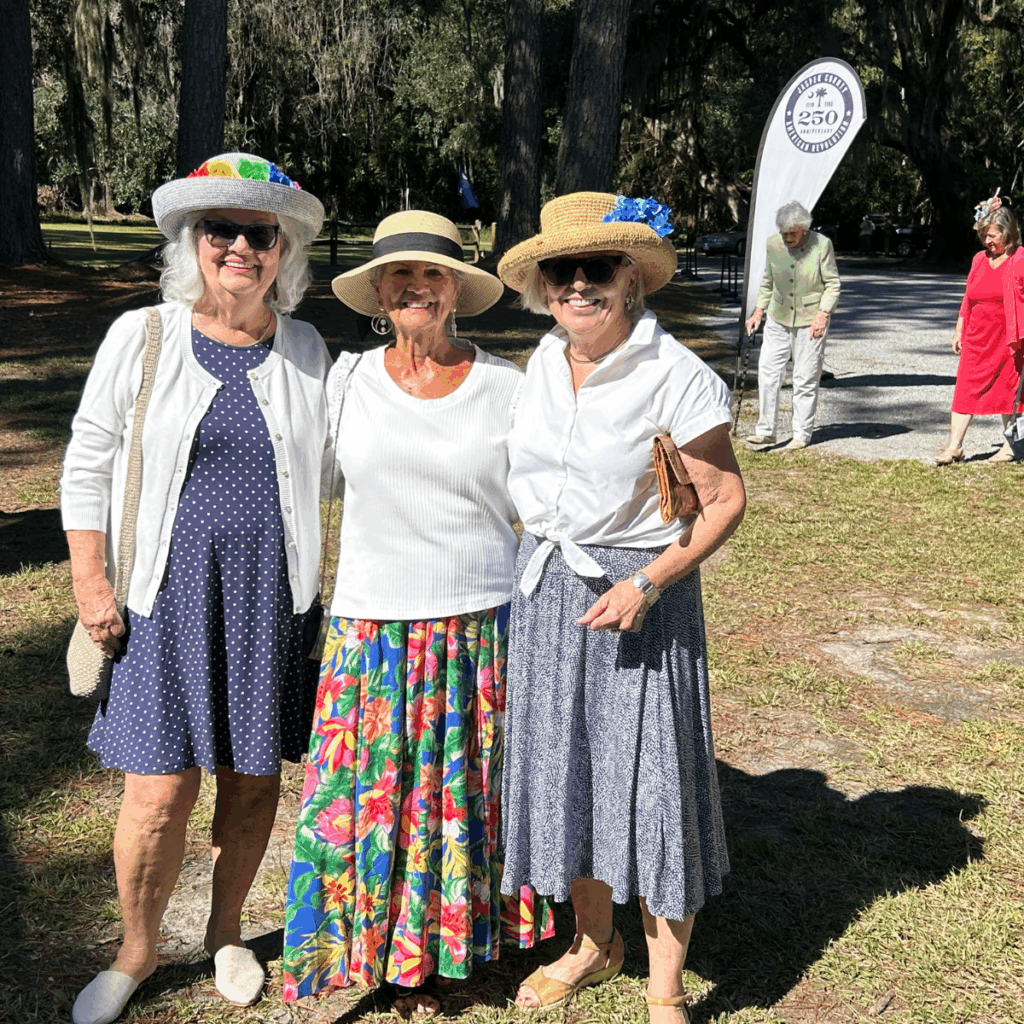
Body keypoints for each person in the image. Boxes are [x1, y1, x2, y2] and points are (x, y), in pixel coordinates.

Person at [62, 152, 329, 1024]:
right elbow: (87, 460)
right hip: (161, 601)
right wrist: (91, 581)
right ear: (193, 239)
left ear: (284, 250)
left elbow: (340, 467)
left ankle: (224, 933)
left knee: (251, 784)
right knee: (157, 794)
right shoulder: (143, 336)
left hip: (268, 603)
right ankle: (136, 952)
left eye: (261, 233)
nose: (241, 247)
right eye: (222, 229)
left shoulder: (305, 349)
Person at [282, 211, 553, 1015]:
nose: (417, 287)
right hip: (371, 628)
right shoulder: (345, 382)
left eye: (433, 274)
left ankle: (450, 945)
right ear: (378, 292)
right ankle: (376, 950)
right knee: (371, 800)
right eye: (399, 274)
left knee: (454, 797)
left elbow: (547, 503)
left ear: (457, 291)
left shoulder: (507, 388)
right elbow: (303, 481)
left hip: (476, 625)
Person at [495, 192, 746, 1023]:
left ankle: (665, 990)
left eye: (596, 267)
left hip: (639, 597)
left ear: (630, 276)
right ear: (543, 285)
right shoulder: (540, 362)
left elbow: (724, 500)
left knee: (654, 784)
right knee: (569, 772)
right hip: (548, 592)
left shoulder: (675, 372)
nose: (578, 284)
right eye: (562, 270)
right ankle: (593, 945)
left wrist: (646, 584)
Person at [744, 200, 841, 450]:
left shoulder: (822, 245)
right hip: (778, 317)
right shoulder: (773, 245)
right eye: (784, 233)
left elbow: (832, 284)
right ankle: (766, 431)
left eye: (792, 234)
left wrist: (823, 314)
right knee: (767, 372)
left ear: (804, 229)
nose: (787, 238)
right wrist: (758, 312)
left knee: (804, 377)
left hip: (811, 320)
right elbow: (768, 282)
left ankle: (801, 434)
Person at [935, 202, 1023, 463]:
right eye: (984, 235)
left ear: (1008, 232)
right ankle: (954, 447)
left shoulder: (1020, 259)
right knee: (965, 389)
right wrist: (958, 331)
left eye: (992, 235)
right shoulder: (978, 259)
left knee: (1010, 391)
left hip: (1009, 339)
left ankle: (1010, 446)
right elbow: (968, 298)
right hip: (977, 337)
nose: (987, 241)